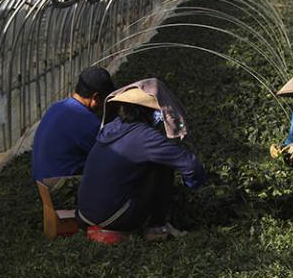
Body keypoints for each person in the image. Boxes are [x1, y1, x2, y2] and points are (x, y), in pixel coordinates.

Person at [77, 78, 206, 240]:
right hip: (113, 218)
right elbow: (191, 165)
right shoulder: (146, 137)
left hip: (83, 213)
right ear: (148, 112)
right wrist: (194, 185)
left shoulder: (110, 128)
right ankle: (157, 227)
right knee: (162, 165)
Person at [31, 67, 115, 182]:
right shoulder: (87, 121)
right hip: (62, 188)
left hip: (43, 184)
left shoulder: (56, 107)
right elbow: (108, 156)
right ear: (95, 97)